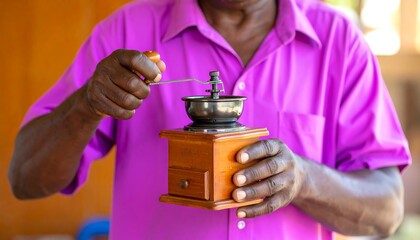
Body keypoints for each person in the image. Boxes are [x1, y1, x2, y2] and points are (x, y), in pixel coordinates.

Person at [8, 0, 411, 239]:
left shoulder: (338, 42)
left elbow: (387, 210)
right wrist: (87, 104)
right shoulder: (128, 31)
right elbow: (26, 179)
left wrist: (305, 179)